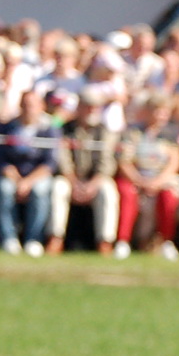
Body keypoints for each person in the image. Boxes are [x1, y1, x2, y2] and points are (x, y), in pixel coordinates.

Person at [0, 89, 59, 256]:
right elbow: (0, 159)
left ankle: (33, 239)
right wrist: (17, 179)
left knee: (40, 191)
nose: (28, 109)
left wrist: (28, 182)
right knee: (4, 189)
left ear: (41, 106)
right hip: (12, 175)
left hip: (38, 176)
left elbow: (50, 163)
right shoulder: (7, 128)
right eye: (25, 105)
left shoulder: (50, 129)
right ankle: (9, 239)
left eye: (32, 105)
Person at [115, 94, 179, 257]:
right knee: (126, 192)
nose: (161, 116)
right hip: (136, 177)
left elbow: (174, 161)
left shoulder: (171, 133)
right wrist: (140, 181)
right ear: (146, 111)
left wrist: (157, 182)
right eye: (157, 111)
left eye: (165, 112)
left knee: (168, 195)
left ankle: (167, 242)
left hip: (162, 179)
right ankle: (123, 241)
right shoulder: (132, 132)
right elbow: (124, 161)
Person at [57, 90, 120, 252]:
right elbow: (63, 159)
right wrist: (74, 182)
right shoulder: (65, 129)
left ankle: (105, 241)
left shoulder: (104, 131)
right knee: (58, 188)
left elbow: (106, 163)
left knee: (108, 191)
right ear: (79, 107)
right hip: (69, 178)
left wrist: (92, 184)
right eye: (88, 106)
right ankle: (55, 238)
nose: (91, 111)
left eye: (95, 107)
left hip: (96, 180)